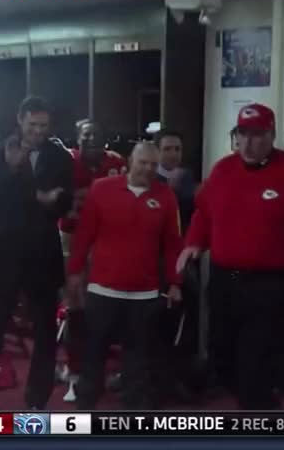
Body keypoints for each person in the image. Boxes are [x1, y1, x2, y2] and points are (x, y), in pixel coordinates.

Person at [177, 103, 284, 409]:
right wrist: (194, 243)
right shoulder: (223, 170)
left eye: (256, 135)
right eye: (242, 134)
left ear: (272, 135)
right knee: (222, 359)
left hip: (273, 286)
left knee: (258, 368)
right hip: (225, 281)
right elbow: (204, 212)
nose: (248, 143)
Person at [66, 141, 183, 410]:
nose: (148, 169)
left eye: (153, 165)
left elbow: (172, 245)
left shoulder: (166, 196)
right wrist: (74, 272)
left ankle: (133, 418)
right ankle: (84, 412)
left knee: (138, 360)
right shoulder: (101, 189)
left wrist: (175, 282)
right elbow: (83, 236)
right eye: (143, 163)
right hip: (102, 290)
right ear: (130, 161)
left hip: (144, 294)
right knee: (93, 354)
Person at [0, 96, 74, 409]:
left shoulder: (60, 156)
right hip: (2, 254)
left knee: (46, 331)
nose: (38, 131)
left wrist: (53, 202)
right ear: (20, 119)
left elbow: (66, 201)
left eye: (44, 125)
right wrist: (12, 170)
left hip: (42, 255)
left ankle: (38, 400)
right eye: (33, 124)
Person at [58, 119, 127, 403]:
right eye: (86, 135)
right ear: (77, 139)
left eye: (97, 135)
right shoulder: (65, 162)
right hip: (72, 237)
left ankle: (103, 368)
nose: (92, 140)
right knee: (75, 305)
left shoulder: (117, 163)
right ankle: (74, 371)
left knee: (106, 303)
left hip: (105, 239)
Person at [154, 129, 196, 232]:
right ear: (157, 151)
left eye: (177, 149)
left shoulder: (186, 175)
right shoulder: (149, 177)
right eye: (167, 149)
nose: (173, 154)